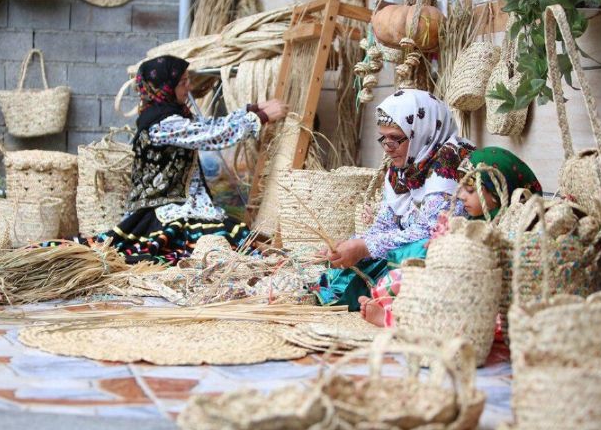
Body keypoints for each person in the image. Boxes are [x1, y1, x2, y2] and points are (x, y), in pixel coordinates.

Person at [101, 55, 288, 264]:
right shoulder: (163, 124)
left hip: (185, 203)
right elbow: (212, 135)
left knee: (229, 240)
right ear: (166, 87)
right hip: (165, 208)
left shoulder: (170, 114)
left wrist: (251, 109)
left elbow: (208, 124)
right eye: (182, 82)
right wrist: (259, 118)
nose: (189, 87)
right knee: (213, 244)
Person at [310, 88, 475, 311]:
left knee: (407, 256)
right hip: (405, 250)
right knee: (350, 265)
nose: (388, 149)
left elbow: (430, 233)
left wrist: (364, 247)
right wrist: (351, 244)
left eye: (395, 139)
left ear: (422, 132)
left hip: (439, 257)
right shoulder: (403, 169)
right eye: (384, 139)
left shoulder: (449, 165)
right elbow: (384, 224)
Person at [359, 146, 543, 327]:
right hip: (458, 283)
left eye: (470, 190)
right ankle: (388, 305)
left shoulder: (514, 227)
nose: (461, 196)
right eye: (460, 188)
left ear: (498, 193)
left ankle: (396, 321)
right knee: (401, 276)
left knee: (450, 305)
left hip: (481, 293)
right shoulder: (471, 221)